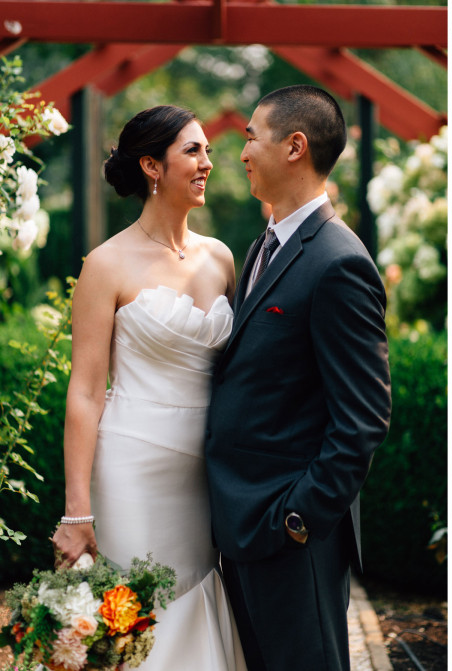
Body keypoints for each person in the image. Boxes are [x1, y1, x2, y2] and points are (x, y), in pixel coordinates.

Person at [51, 105, 246, 670]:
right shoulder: (106, 264)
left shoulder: (221, 258)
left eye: (208, 150)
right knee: (139, 616)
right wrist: (76, 513)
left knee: (203, 600)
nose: (209, 162)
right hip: (134, 471)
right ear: (151, 167)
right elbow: (85, 392)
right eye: (194, 151)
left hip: (210, 476)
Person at [204, 85, 391, 671]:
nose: (241, 152)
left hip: (286, 532)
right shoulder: (265, 244)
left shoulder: (339, 262)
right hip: (240, 521)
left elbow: (362, 418)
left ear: (295, 146)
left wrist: (297, 520)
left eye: (251, 137)